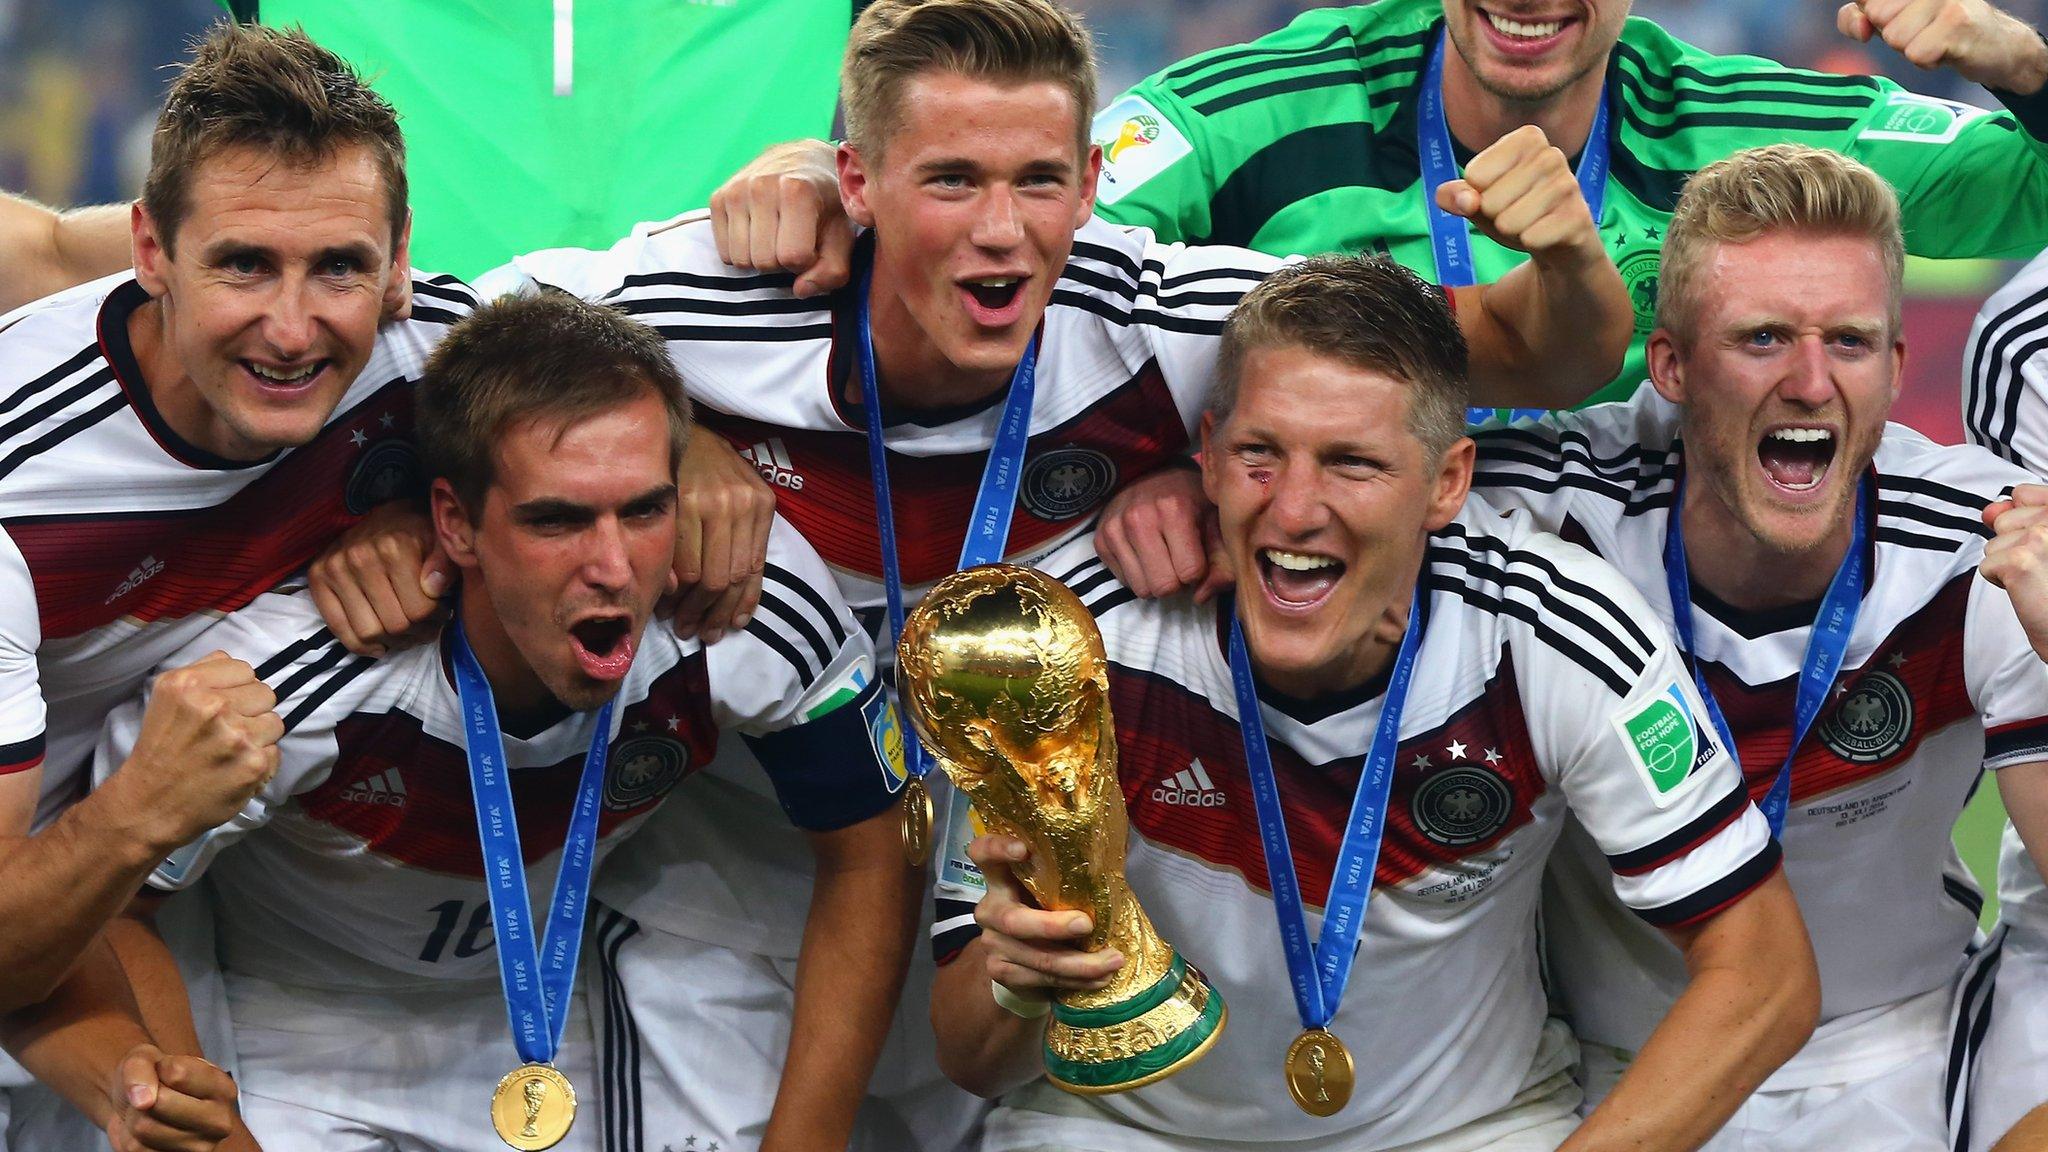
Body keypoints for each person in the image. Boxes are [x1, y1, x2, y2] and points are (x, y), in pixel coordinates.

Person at [461, 1, 1640, 1147]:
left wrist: (1567, 257)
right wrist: (662, 432)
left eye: (1035, 181)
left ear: (1087, 183)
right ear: (856, 184)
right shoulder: (701, 299)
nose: (1000, 230)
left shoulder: (1155, 317)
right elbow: (441, 358)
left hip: (1003, 922)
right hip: (732, 917)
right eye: (950, 180)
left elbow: (1535, 357)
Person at [1112, 143, 2048, 1148]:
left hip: (1893, 1052)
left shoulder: (1986, 547)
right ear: (1672, 366)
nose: (1809, 382)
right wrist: (1177, 486)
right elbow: (1344, 481)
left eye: (1850, 342)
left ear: (1896, 367)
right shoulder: (1541, 513)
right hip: (1599, 1072)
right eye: (1762, 337)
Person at [928, 253, 1816, 1151]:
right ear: (1206, 451)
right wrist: (1017, 980)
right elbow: (968, 1057)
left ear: (1447, 481)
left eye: (1353, 463)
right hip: (1126, 1130)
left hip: (1469, 1131)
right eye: (1259, 455)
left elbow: (1766, 973)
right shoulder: (1075, 651)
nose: (1296, 510)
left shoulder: (1547, 632)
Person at [26, 289, 912, 1152]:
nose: (613, 567)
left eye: (644, 508)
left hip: (550, 1029)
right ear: (452, 521)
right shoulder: (280, 682)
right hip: (304, 1040)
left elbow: (875, 843)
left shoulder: (740, 600)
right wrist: (205, 1126)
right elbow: (115, 908)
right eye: (556, 520)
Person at [710, 0, 2048, 405]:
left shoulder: (1743, 124)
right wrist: (829, 183)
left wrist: (2034, 75)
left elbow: (2027, 194)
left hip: (1636, 640)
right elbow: (1027, 211)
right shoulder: (1253, 107)